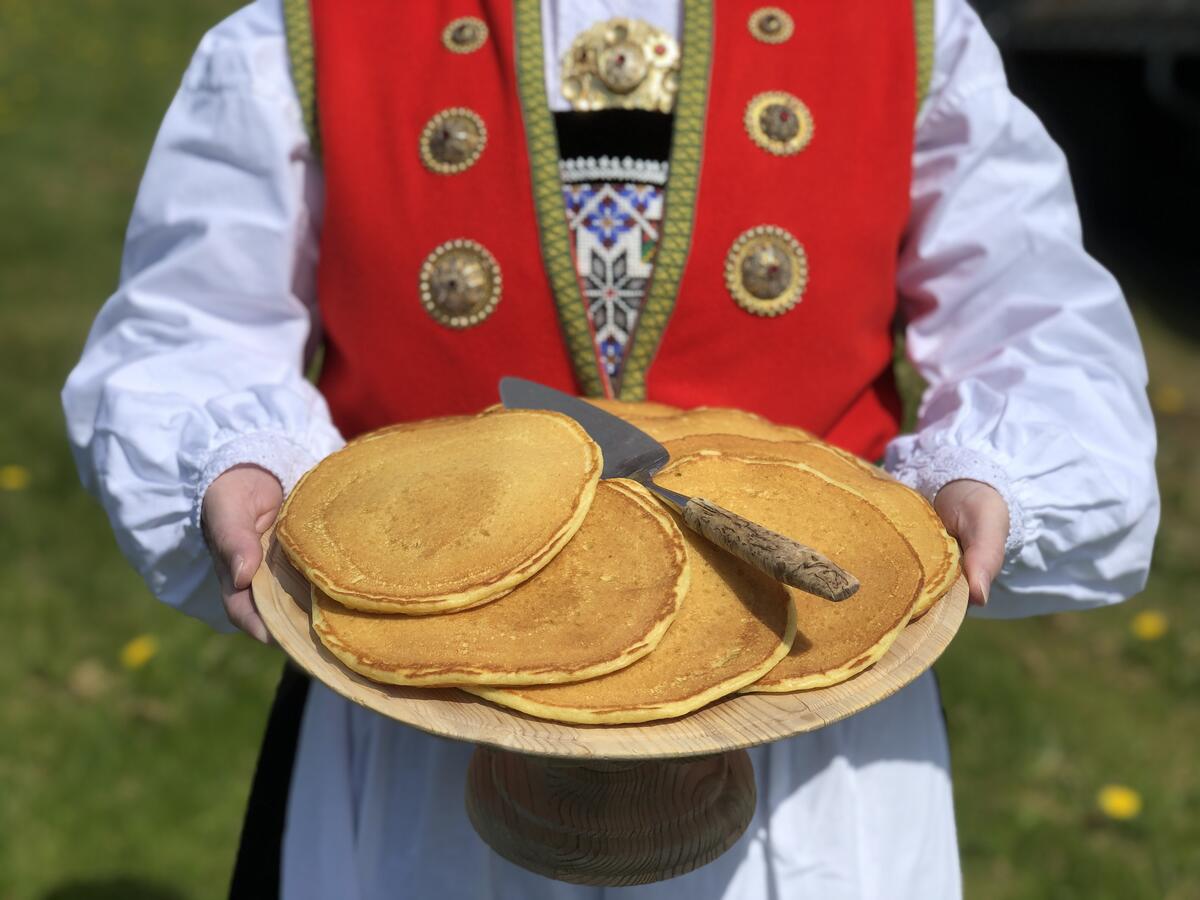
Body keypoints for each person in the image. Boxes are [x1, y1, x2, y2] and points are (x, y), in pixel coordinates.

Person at [62, 0, 1159, 897]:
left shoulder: (906, 28)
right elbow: (195, 326)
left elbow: (1031, 312)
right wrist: (230, 460)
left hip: (803, 720)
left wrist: (999, 472)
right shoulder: (309, 30)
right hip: (427, 711)